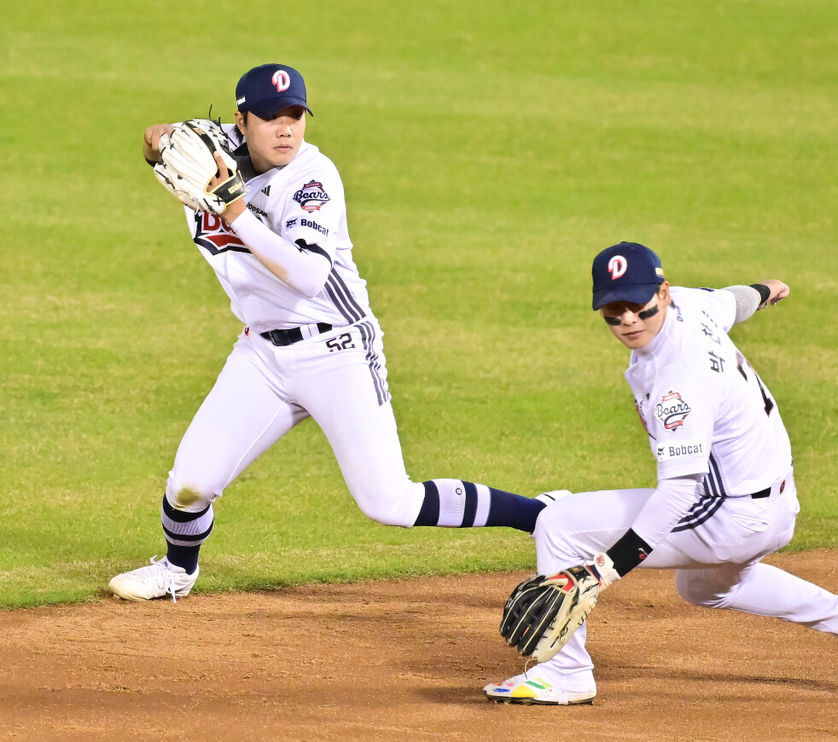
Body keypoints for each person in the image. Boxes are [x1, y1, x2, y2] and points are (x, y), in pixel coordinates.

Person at [109, 63, 554, 602]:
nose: (285, 129)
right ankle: (178, 571)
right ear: (240, 121)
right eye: (270, 118)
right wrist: (156, 145)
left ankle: (545, 516)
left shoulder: (312, 179)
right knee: (190, 484)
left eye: (295, 116)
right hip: (262, 354)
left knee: (389, 503)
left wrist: (238, 215)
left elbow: (307, 275)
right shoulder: (211, 151)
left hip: (336, 347)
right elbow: (161, 142)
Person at [484, 241, 838, 705]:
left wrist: (601, 570)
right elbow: (733, 300)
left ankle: (565, 675)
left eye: (639, 308)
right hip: (773, 502)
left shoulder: (677, 380)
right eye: (613, 312)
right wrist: (767, 290)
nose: (628, 321)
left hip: (729, 513)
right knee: (703, 586)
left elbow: (680, 491)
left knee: (560, 523)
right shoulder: (692, 303)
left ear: (662, 293)